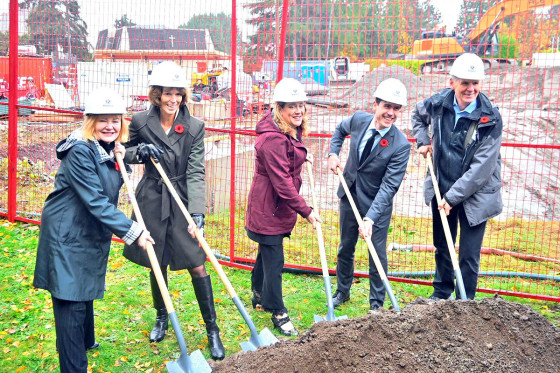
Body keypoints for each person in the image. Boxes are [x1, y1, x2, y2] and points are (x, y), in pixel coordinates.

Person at [33, 88, 154, 373]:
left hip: (87, 228)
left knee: (82, 283)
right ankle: (74, 365)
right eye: (102, 120)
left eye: (115, 120)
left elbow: (110, 175)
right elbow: (96, 200)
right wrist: (133, 231)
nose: (110, 126)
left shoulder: (106, 148)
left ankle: (86, 340)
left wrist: (124, 157)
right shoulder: (79, 151)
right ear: (89, 122)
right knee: (70, 294)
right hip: (68, 232)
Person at [122, 61, 225, 360]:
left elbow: (195, 172)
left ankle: (212, 329)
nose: (173, 100)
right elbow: (121, 149)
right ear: (157, 94)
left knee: (197, 263)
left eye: (178, 94)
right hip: (152, 198)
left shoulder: (194, 127)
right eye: (167, 93)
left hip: (181, 198)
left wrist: (197, 214)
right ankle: (161, 316)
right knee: (158, 260)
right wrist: (139, 152)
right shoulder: (140, 121)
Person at [412, 53, 503, 300]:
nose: (470, 88)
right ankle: (441, 293)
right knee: (443, 245)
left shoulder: (490, 118)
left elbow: (482, 169)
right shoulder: (439, 103)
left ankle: (465, 303)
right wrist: (423, 140)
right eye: (464, 82)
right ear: (452, 82)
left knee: (469, 254)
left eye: (475, 83)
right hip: (442, 186)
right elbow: (417, 116)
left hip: (476, 195)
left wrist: (451, 198)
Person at [246, 77, 322, 336]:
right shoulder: (272, 140)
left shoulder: (288, 131)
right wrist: (307, 211)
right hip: (270, 205)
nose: (298, 110)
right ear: (279, 108)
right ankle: (278, 311)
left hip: (275, 204)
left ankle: (257, 292)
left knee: (265, 252)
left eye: (301, 104)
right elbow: (282, 183)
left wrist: (302, 157)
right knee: (274, 259)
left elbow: (289, 157)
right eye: (291, 106)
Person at [327, 78, 411, 313]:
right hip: (349, 194)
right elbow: (339, 131)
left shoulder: (400, 145)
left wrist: (371, 218)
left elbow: (389, 186)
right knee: (345, 247)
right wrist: (333, 153)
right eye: (387, 106)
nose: (391, 113)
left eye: (396, 108)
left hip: (377, 205)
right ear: (374, 104)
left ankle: (376, 303)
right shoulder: (358, 120)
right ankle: (342, 291)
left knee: (376, 253)